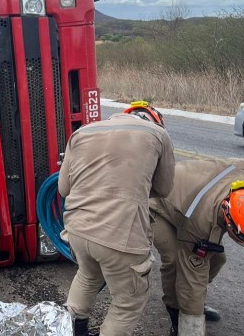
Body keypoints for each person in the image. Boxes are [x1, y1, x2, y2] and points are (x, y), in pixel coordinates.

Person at [59, 101, 176, 336]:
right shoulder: (158, 135)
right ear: (155, 120)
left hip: (78, 230)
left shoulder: (82, 132)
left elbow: (63, 188)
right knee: (127, 303)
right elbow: (163, 189)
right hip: (120, 235)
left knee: (88, 275)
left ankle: (71, 330)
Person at [150, 158, 244, 335]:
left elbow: (238, 164)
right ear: (229, 221)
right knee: (175, 261)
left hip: (191, 197)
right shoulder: (202, 222)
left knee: (217, 259)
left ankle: (192, 302)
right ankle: (176, 314)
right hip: (158, 204)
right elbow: (193, 276)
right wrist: (192, 326)